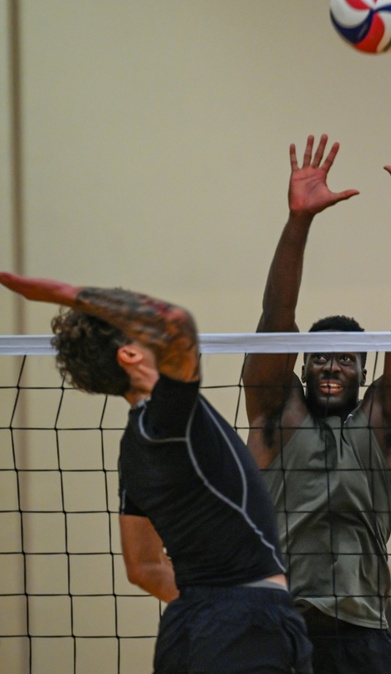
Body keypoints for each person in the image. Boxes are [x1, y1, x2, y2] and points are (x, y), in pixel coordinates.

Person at [0, 272, 311, 673]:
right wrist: (70, 295)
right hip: (244, 625)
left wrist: (208, 607)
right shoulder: (168, 418)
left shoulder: (134, 446)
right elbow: (177, 323)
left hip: (190, 627)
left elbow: (143, 567)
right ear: (129, 354)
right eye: (138, 329)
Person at [241, 130, 391, 673]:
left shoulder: (386, 424)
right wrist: (299, 221)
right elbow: (276, 322)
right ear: (303, 364)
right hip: (281, 627)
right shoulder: (277, 416)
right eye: (318, 357)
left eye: (345, 358)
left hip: (362, 636)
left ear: (366, 371)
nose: (331, 365)